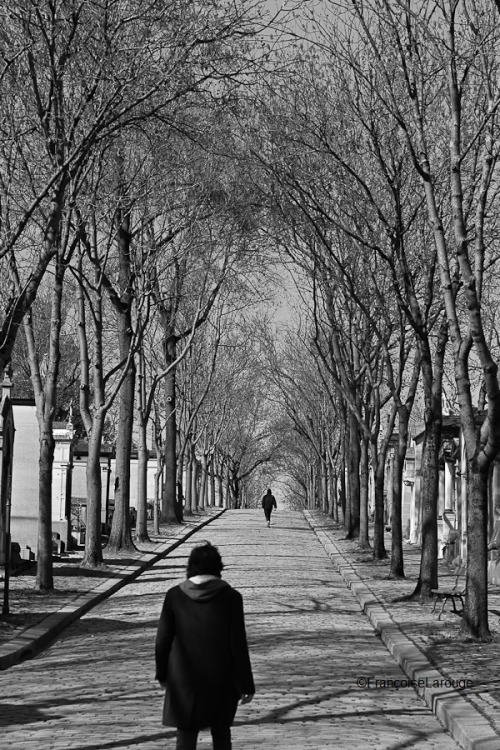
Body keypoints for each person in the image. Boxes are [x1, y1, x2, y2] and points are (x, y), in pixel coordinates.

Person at [155, 541, 255, 750]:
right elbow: (238, 644)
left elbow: (163, 640)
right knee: (221, 735)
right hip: (221, 679)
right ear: (218, 568)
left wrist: (162, 674)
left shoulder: (174, 596)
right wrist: (246, 684)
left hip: (183, 678)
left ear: (190, 567)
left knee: (185, 736)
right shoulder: (231, 598)